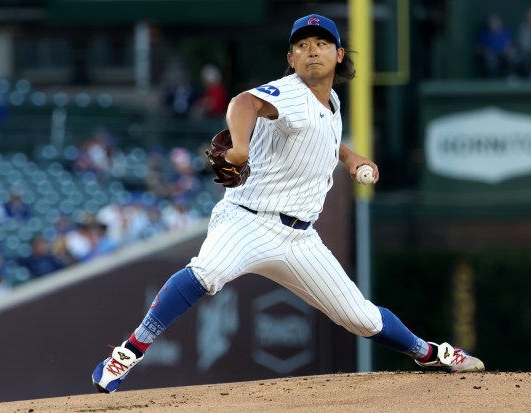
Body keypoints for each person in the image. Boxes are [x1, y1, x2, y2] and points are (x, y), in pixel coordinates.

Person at [91, 14, 485, 394]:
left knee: (360, 317)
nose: (312, 50)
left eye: (321, 43)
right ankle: (128, 353)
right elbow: (244, 103)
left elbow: (320, 138)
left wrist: (349, 158)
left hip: (300, 239)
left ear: (339, 55)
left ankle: (429, 353)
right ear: (290, 59)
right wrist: (241, 147)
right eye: (302, 45)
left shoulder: (329, 100)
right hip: (247, 221)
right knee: (207, 272)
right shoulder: (291, 93)